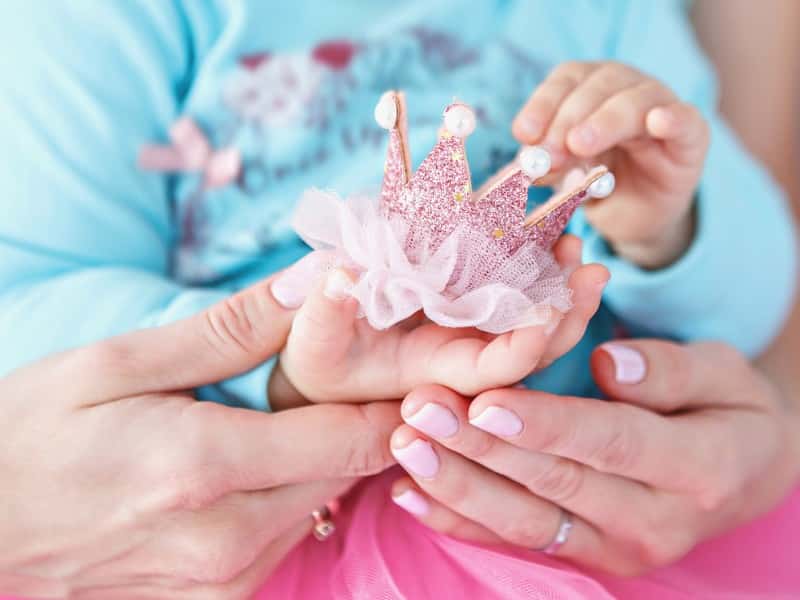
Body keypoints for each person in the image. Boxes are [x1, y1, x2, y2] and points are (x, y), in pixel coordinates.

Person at [0, 1, 798, 599]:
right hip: (242, 538)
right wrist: (280, 366)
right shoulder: (109, 18)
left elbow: (757, 306)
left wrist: (667, 224)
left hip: (578, 524)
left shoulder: (602, 11)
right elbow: (31, 313)